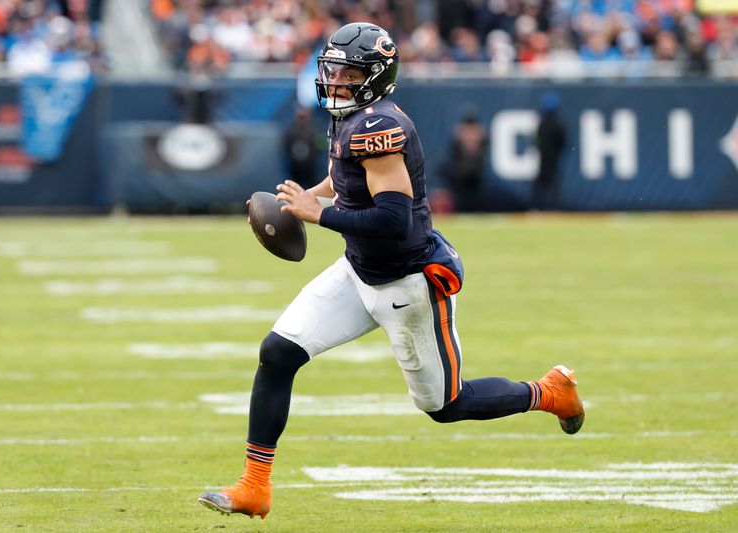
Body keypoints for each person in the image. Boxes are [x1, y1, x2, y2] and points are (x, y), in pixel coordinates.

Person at [198, 22, 585, 520]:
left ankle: (549, 392)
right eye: (332, 69)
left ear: (376, 77)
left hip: (408, 281)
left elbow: (391, 219)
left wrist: (319, 216)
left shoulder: (379, 128)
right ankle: (254, 485)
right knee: (278, 352)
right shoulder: (349, 118)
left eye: (347, 72)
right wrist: (311, 197)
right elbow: (346, 179)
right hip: (359, 269)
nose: (335, 81)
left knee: (446, 406)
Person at [438, 112, 487, 212]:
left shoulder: (488, 170)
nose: (470, 137)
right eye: (467, 132)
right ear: (459, 133)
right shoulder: (445, 169)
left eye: (474, 132)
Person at [531, 91, 566, 210]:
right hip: (552, 160)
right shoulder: (559, 125)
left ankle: (534, 208)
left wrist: (542, 150)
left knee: (540, 185)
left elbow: (536, 141)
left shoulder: (542, 124)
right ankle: (552, 209)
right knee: (552, 186)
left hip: (544, 159)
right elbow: (563, 142)